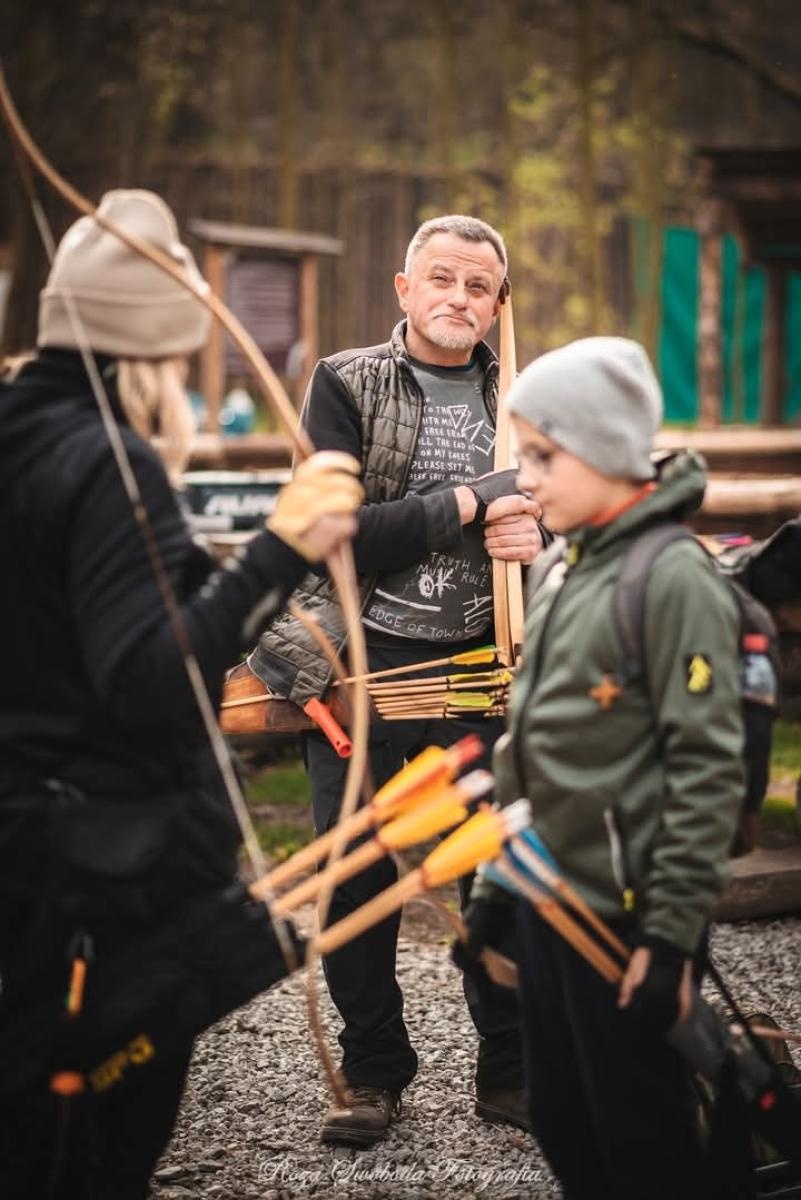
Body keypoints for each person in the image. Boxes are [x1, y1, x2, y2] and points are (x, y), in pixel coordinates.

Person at [0, 189, 362, 1199]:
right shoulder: (109, 461)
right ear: (149, 358)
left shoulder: (21, 431)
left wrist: (226, 573)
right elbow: (153, 683)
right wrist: (284, 547)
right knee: (83, 1156)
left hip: (27, 865)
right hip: (97, 888)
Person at [248, 215, 544, 1145]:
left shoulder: (528, 401)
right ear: (402, 288)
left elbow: (561, 517)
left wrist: (538, 538)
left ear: (499, 304)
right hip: (358, 670)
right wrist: (466, 502)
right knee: (356, 878)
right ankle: (373, 1074)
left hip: (488, 671)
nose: (459, 299)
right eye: (442, 280)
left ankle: (511, 1072)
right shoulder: (346, 382)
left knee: (497, 878)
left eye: (479, 287)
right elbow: (330, 530)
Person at [474, 337, 746, 1199]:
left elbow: (706, 770)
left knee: (645, 1135)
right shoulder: (561, 568)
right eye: (524, 457)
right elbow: (523, 748)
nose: (527, 479)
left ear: (602, 449)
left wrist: (668, 942)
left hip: (629, 925)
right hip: (551, 908)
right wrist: (493, 894)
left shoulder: (672, 580)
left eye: (542, 456)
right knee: (564, 1118)